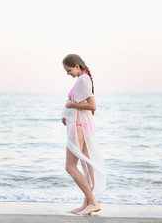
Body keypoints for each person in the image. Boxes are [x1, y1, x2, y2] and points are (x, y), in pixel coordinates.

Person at [61, 54, 106, 215]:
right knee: (87, 167)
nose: (68, 73)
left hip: (78, 128)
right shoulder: (84, 79)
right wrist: (66, 113)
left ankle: (93, 202)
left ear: (77, 66)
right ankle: (86, 204)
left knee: (70, 167)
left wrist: (70, 104)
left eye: (69, 70)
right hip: (81, 126)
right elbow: (83, 104)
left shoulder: (82, 80)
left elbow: (92, 106)